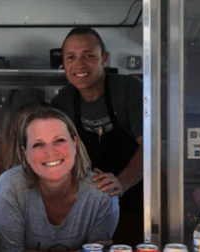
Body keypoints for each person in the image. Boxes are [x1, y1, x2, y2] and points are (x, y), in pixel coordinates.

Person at [51, 27, 144, 246]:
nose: (79, 64)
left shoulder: (128, 89)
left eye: (88, 55)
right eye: (71, 57)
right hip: (88, 205)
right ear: (63, 64)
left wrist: (121, 183)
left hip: (135, 197)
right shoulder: (63, 101)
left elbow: (152, 147)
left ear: (104, 58)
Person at [0, 104, 119, 251]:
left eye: (59, 140)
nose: (50, 152)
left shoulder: (101, 192)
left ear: (74, 143)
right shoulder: (10, 186)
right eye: (38, 144)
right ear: (25, 152)